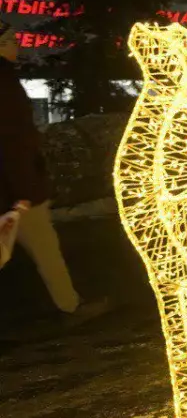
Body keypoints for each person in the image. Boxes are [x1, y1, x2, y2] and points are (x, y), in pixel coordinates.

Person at [0, 20, 107, 320]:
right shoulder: (4, 84)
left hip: (14, 187)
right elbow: (13, 141)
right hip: (17, 191)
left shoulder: (6, 79)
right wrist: (24, 192)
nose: (16, 44)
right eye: (9, 40)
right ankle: (70, 306)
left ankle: (70, 303)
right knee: (45, 249)